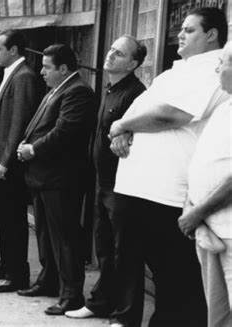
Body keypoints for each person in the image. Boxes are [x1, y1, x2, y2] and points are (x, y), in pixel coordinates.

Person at [107, 7, 228, 327]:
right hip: (136, 187)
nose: (180, 34)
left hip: (168, 194)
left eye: (189, 30)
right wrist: (124, 127)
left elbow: (168, 115)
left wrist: (122, 124)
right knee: (132, 264)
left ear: (212, 34)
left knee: (176, 284)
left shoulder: (213, 70)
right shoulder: (171, 73)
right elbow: (138, 112)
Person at [66, 35, 147, 319]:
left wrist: (127, 133)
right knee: (104, 247)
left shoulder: (137, 93)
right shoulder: (110, 89)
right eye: (111, 49)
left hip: (123, 184)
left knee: (125, 250)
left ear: (133, 63)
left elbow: (140, 134)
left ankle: (126, 316)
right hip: (102, 181)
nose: (111, 55)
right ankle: (100, 303)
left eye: (119, 53)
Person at [17, 44, 96, 315]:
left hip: (62, 178)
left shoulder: (78, 92)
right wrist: (26, 143)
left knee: (65, 238)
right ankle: (48, 281)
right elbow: (42, 125)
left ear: (64, 68)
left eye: (47, 67)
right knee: (46, 235)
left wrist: (33, 149)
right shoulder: (57, 89)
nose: (42, 72)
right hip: (43, 176)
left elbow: (64, 131)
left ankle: (72, 295)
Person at [178, 40, 232, 327]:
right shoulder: (225, 108)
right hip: (208, 226)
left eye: (223, 62)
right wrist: (191, 206)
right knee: (218, 312)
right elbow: (202, 161)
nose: (217, 68)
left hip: (227, 228)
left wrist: (197, 212)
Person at [0, 29, 38, 293]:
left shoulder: (24, 76)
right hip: (0, 160)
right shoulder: (10, 74)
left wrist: (5, 161)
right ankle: (6, 264)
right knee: (3, 217)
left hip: (10, 163)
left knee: (14, 219)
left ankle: (18, 274)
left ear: (13, 50)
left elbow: (19, 123)